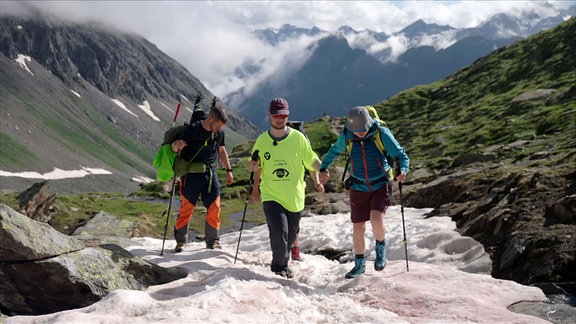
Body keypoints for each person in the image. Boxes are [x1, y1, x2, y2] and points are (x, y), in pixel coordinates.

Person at [319, 106, 409, 279]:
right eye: (356, 131)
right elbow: (335, 150)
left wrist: (403, 170)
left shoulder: (380, 133)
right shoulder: (347, 134)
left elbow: (401, 154)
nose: (360, 133)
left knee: (376, 218)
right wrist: (324, 167)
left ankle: (381, 250)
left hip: (381, 182)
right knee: (358, 226)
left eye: (363, 129)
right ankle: (359, 265)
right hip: (358, 185)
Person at [249, 97, 324, 278]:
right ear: (269, 115)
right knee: (279, 231)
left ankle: (282, 260)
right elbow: (257, 166)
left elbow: (311, 160)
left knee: (290, 235)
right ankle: (279, 267)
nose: (279, 118)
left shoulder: (298, 139)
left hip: (294, 196)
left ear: (287, 116)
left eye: (283, 115)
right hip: (271, 194)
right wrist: (255, 188)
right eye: (276, 115)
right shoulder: (262, 141)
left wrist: (323, 170)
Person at [170, 106, 234, 252]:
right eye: (217, 126)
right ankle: (181, 241)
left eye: (221, 127)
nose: (218, 129)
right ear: (210, 119)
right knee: (187, 207)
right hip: (190, 175)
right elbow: (175, 147)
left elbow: (221, 151)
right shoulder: (193, 129)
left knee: (214, 207)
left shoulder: (219, 133)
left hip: (210, 174)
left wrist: (229, 170)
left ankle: (213, 241)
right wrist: (176, 145)